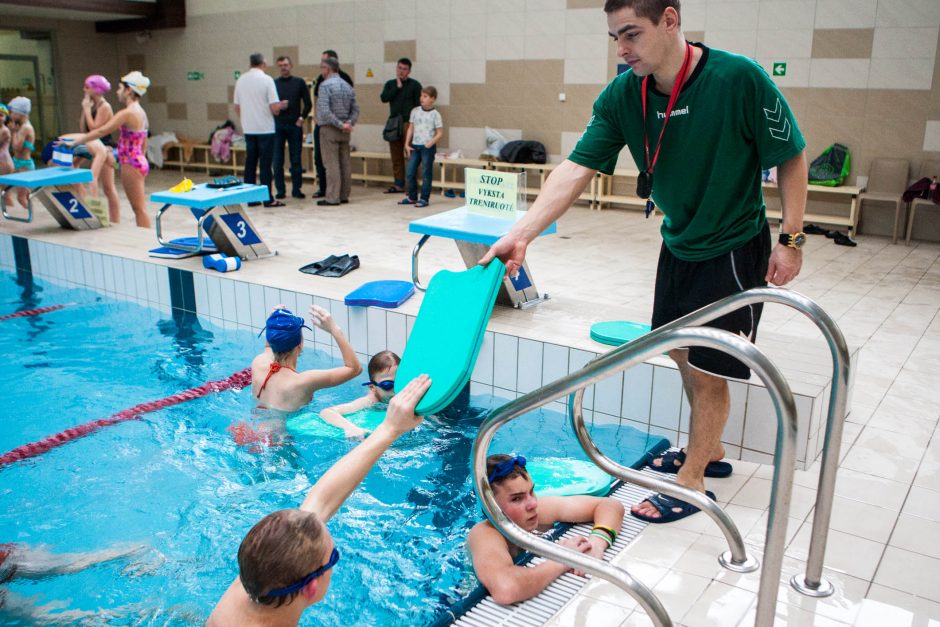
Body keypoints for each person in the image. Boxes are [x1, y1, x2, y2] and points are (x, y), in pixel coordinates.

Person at [481, 0, 807, 524]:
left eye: (631, 33)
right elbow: (575, 168)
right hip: (677, 244)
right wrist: (521, 233)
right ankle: (711, 450)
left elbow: (790, 154)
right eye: (615, 37)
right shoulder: (623, 95)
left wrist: (791, 238)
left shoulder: (737, 79)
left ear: (671, 21)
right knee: (679, 354)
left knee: (707, 371)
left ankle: (693, 478)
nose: (622, 48)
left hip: (732, 247)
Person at [207, 373, 432, 625]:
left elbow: (321, 501)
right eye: (333, 557)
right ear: (311, 587)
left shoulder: (256, 584)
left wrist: (390, 429)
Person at [467, 454, 625, 605]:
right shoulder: (485, 534)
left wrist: (596, 544)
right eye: (517, 498)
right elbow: (507, 589)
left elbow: (610, 505)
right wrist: (564, 557)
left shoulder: (538, 510)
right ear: (490, 507)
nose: (533, 504)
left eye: (531, 491)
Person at [62, 72, 154, 228]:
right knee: (139, 207)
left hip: (131, 162)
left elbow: (100, 131)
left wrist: (77, 141)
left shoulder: (127, 113)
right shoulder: (141, 112)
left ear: (129, 91)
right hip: (138, 160)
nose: (117, 92)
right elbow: (143, 141)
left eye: (120, 88)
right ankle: (144, 240)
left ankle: (145, 242)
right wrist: (141, 160)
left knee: (138, 209)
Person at [1, 541, 159, 623]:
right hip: (7, 560)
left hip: (7, 561)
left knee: (47, 619)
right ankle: (141, 552)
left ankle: (139, 554)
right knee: (46, 619)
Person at [252, 305, 361, 413]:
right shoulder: (303, 382)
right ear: (300, 344)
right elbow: (354, 369)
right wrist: (335, 329)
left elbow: (269, 346)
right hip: (282, 430)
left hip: (252, 426)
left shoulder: (258, 363)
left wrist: (274, 321)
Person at [64, 75, 121, 223]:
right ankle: (83, 200)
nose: (84, 89)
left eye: (87, 87)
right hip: (90, 144)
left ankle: (115, 220)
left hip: (104, 148)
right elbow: (84, 128)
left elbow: (96, 129)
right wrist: (85, 109)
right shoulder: (90, 104)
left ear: (96, 89)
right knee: (73, 165)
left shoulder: (105, 106)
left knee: (108, 187)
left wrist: (87, 110)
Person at [234, 53, 287, 208]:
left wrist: (246, 118)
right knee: (265, 165)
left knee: (250, 163)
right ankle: (267, 198)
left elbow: (237, 106)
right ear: (263, 64)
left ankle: (251, 199)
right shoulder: (267, 80)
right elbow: (274, 107)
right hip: (265, 129)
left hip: (249, 128)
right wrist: (281, 106)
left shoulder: (241, 80)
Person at [319, 350, 400, 439]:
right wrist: (351, 428)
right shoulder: (370, 401)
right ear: (372, 387)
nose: (395, 390)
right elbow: (327, 412)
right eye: (388, 385)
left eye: (400, 383)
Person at [315, 57, 358, 207]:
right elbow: (355, 109)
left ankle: (332, 197)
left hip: (330, 129)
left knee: (331, 164)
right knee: (345, 163)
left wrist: (339, 124)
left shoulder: (324, 86)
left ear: (327, 69)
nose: (321, 71)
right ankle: (344, 194)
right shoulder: (347, 86)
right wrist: (348, 123)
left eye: (322, 68)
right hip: (345, 130)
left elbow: (325, 111)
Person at [379, 57, 421, 194]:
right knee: (396, 155)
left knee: (410, 154)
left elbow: (418, 106)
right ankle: (398, 184)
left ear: (409, 71)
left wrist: (415, 125)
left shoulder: (415, 85)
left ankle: (411, 185)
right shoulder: (390, 84)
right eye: (399, 68)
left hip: (409, 123)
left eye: (404, 69)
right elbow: (384, 98)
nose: (401, 71)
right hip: (394, 122)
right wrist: (397, 87)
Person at [273, 56, 312, 200]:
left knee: (296, 159)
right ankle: (280, 190)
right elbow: (269, 104)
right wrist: (278, 106)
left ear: (291, 65)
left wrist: (302, 118)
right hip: (278, 125)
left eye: (286, 65)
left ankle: (297, 189)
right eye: (281, 65)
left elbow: (308, 103)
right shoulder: (274, 83)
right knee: (277, 160)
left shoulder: (299, 82)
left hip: (294, 125)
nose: (284, 67)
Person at [399, 86, 443, 208]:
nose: (421, 98)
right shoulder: (415, 111)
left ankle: (424, 198)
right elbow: (411, 128)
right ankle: (412, 197)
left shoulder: (436, 115)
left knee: (426, 173)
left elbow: (440, 133)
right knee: (410, 172)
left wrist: (431, 142)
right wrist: (406, 144)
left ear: (432, 99)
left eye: (425, 96)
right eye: (421, 96)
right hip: (415, 146)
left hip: (427, 148)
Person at [6, 97, 35, 209]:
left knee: (21, 197)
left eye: (12, 112)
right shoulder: (22, 126)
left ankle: (32, 217)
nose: (11, 115)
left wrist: (13, 132)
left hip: (24, 165)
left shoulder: (25, 128)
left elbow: (16, 148)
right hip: (17, 162)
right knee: (7, 188)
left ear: (20, 113)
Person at [0, 104, 12, 178]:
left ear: (5, 118)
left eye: (1, 115)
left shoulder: (5, 130)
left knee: (5, 188)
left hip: (4, 162)